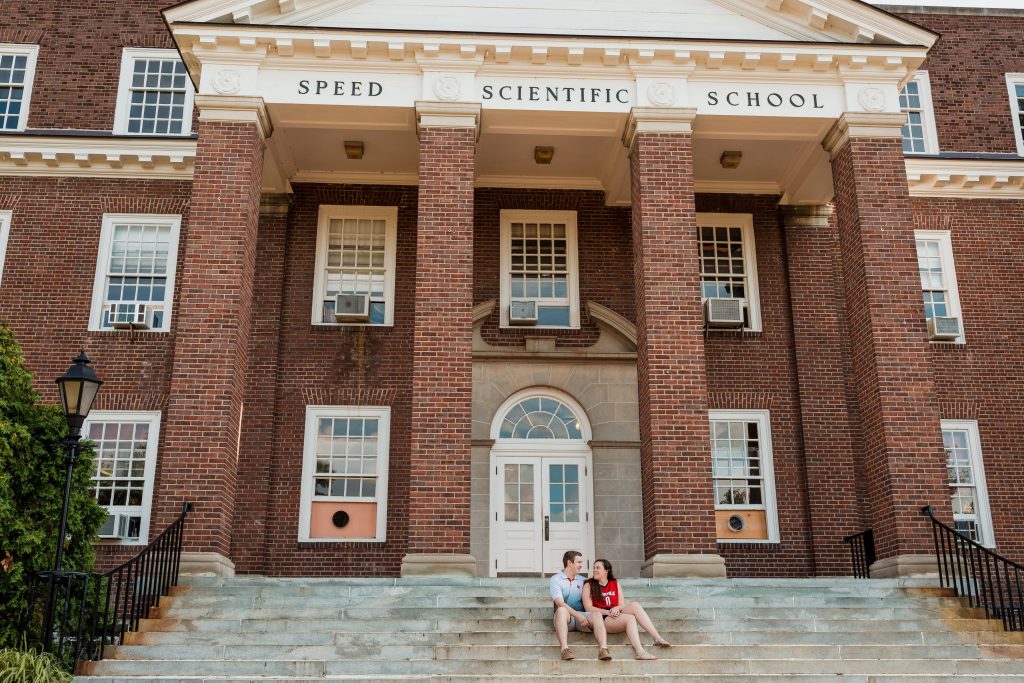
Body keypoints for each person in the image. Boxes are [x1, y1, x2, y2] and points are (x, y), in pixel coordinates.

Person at [583, 558, 670, 660]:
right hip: (601, 618)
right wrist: (607, 611)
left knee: (635, 605)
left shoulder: (614, 583)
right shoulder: (589, 584)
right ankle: (640, 652)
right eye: (593, 568)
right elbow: (588, 608)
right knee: (630, 618)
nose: (594, 570)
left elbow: (621, 604)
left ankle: (657, 638)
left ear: (606, 570)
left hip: (614, 614)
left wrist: (616, 608)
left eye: (598, 568)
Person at [549, 550, 612, 661]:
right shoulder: (556, 579)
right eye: (578, 562)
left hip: (582, 620)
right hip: (565, 618)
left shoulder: (583, 580)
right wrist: (578, 616)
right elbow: (559, 603)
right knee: (561, 610)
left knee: (597, 615)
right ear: (569, 563)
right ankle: (565, 650)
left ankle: (603, 649)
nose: (581, 565)